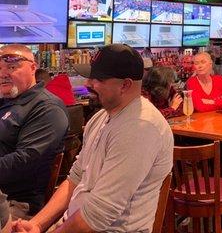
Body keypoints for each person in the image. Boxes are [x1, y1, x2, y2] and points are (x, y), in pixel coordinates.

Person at [14, 44, 174, 233]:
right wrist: (37, 224)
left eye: (97, 78)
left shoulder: (141, 127)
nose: (87, 84)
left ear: (126, 85)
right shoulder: (101, 116)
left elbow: (98, 216)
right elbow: (75, 178)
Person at [0, 45, 69, 219]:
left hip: (16, 203)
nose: (3, 74)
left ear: (33, 68)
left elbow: (24, 161)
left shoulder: (47, 107)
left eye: (12, 67)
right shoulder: (6, 100)